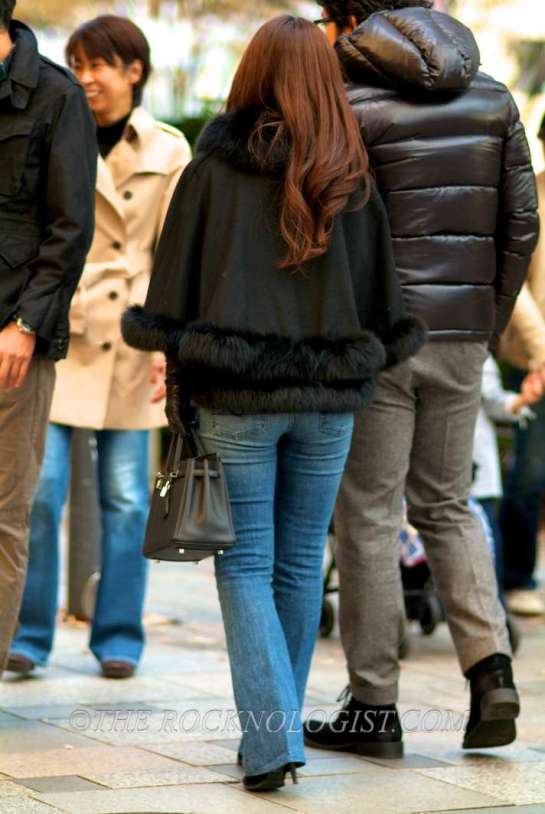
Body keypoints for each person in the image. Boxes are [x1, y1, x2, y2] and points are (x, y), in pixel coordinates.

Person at [122, 14, 426, 791]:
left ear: (251, 73)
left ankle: (268, 740)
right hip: (329, 398)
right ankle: (275, 729)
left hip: (239, 393)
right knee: (294, 565)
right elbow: (382, 299)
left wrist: (173, 362)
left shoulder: (212, 170)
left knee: (246, 564)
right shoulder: (350, 173)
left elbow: (174, 287)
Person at [304, 0, 539, 756]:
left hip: (378, 336)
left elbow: (325, 222)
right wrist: (488, 320)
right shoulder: (493, 95)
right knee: (446, 501)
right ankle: (490, 671)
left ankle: (373, 707)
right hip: (465, 332)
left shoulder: (345, 98)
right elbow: (522, 223)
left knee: (369, 514)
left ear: (347, 17)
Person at [6, 15, 191, 680]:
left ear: (133, 71)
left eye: (100, 65)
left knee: (124, 497)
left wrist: (171, 345)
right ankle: (28, 632)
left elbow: (179, 257)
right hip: (62, 326)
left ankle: (118, 634)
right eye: (77, 64)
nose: (86, 78)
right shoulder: (59, 123)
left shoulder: (169, 150)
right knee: (39, 490)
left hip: (133, 337)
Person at [0, 0, 96, 675]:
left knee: (4, 515)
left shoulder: (56, 96)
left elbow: (70, 228)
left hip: (11, 339)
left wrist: (26, 325)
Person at [499, 113, 545, 618]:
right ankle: (516, 577)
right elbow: (518, 287)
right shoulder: (531, 197)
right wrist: (541, 352)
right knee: (529, 472)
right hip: (533, 358)